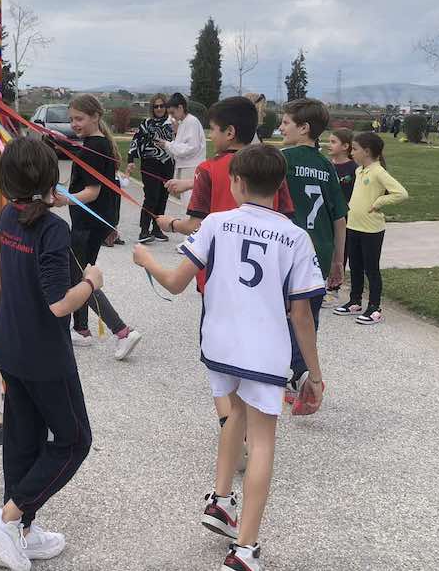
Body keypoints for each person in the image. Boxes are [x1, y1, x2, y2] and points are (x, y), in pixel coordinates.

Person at [135, 144, 325, 571]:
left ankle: (221, 500)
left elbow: (175, 282)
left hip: (220, 345)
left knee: (234, 413)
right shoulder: (295, 236)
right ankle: (245, 549)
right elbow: (301, 315)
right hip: (264, 351)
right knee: (262, 442)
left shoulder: (217, 223)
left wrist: (146, 258)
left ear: (236, 182)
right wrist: (313, 375)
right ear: (280, 186)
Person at [0, 137, 95, 571]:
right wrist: (92, 282)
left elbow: (27, 220)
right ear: (51, 179)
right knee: (74, 440)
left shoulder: (6, 214)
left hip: (9, 345)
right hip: (43, 355)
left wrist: (44, 200)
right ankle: (8, 517)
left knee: (24, 439)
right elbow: (59, 303)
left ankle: (20, 530)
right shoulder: (54, 229)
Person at [158, 96, 293, 429]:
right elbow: (286, 219)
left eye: (214, 130)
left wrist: (170, 223)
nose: (211, 136)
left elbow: (196, 224)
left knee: (219, 358)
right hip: (263, 282)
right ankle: (250, 419)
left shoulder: (208, 169)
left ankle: (230, 424)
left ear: (230, 132)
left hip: (217, 279)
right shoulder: (270, 168)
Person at [56, 94, 143, 361]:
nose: (75, 124)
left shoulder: (94, 148)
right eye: (72, 119)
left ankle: (122, 331)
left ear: (95, 116)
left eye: (79, 118)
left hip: (87, 224)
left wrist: (63, 199)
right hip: (91, 223)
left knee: (81, 277)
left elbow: (92, 192)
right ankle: (81, 329)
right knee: (79, 274)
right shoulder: (99, 143)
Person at [278, 98, 347, 410]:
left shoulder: (282, 160)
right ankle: (303, 369)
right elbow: (339, 218)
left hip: (287, 249)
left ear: (304, 128)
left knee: (282, 313)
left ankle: (291, 372)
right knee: (309, 316)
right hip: (319, 249)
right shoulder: (327, 167)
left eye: (286, 123)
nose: (281, 128)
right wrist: (338, 260)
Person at [333, 132, 408, 326]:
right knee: (355, 266)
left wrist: (379, 202)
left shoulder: (378, 171)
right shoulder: (360, 170)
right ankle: (355, 301)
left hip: (371, 229)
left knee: (371, 269)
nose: (352, 152)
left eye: (355, 149)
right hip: (353, 226)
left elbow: (401, 193)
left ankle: (374, 308)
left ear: (366, 151)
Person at [126, 93, 175, 244]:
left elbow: (180, 143)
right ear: (152, 108)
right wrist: (130, 160)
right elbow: (135, 141)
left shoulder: (172, 123)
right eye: (156, 106)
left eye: (162, 106)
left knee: (163, 197)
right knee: (151, 196)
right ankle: (144, 230)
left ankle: (157, 228)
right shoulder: (146, 123)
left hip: (167, 164)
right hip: (150, 164)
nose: (159, 109)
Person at [161, 92, 206, 206]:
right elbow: (178, 150)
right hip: (185, 167)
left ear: (180, 107)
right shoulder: (183, 123)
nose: (172, 117)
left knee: (190, 201)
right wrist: (166, 145)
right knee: (186, 202)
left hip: (191, 168)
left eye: (172, 113)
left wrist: (168, 145)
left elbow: (191, 148)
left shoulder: (192, 121)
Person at [327, 128, 358, 203]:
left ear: (345, 146)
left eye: (333, 142)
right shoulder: (326, 165)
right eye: (329, 141)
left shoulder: (355, 168)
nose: (329, 145)